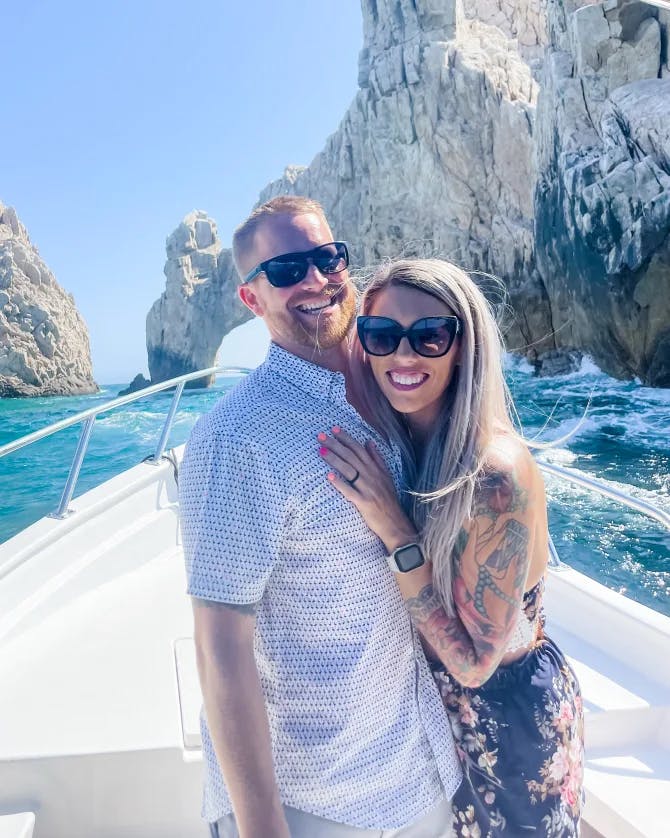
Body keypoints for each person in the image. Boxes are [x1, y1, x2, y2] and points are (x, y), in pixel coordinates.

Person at [179, 199, 462, 838]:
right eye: (284, 271)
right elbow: (219, 645)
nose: (314, 280)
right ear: (252, 300)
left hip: (422, 771)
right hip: (320, 799)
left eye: (326, 258)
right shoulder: (239, 437)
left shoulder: (395, 383)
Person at [317, 258, 584, 837]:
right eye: (382, 336)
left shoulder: (492, 475)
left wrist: (394, 530)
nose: (404, 356)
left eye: (430, 336)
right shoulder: (406, 442)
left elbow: (472, 665)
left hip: (506, 723)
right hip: (428, 717)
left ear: (463, 346)